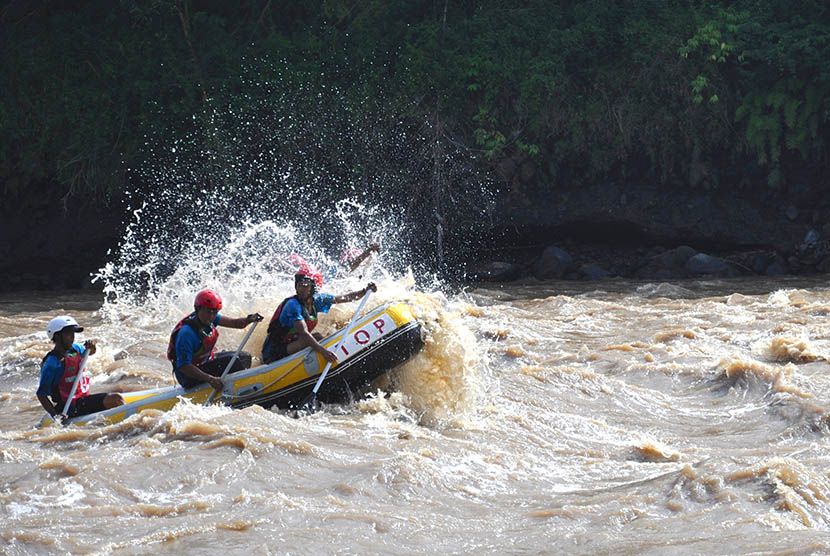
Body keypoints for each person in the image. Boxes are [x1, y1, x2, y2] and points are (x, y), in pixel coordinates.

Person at [261, 270, 377, 364]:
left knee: (319, 336)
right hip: (274, 351)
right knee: (314, 338)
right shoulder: (292, 305)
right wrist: (324, 352)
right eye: (299, 285)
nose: (300, 289)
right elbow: (304, 333)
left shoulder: (318, 300)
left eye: (305, 285)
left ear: (312, 288)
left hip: (292, 343)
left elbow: (345, 298)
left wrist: (365, 291)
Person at [167, 289, 263, 391]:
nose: (212, 316)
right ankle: (235, 390)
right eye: (208, 312)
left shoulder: (210, 318)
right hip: (187, 376)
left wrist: (249, 319)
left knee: (244, 357)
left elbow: (235, 323)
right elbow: (184, 366)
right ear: (198, 309)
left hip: (203, 363)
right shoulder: (186, 334)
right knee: (235, 361)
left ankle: (236, 386)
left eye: (215, 312)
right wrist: (210, 379)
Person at [37, 315, 125, 422]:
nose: (72, 337)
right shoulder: (52, 363)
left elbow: (89, 353)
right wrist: (56, 417)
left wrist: (92, 348)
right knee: (116, 399)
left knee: (115, 398)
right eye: (68, 333)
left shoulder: (76, 349)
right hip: (68, 407)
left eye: (73, 333)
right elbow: (41, 394)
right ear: (58, 336)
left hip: (82, 400)